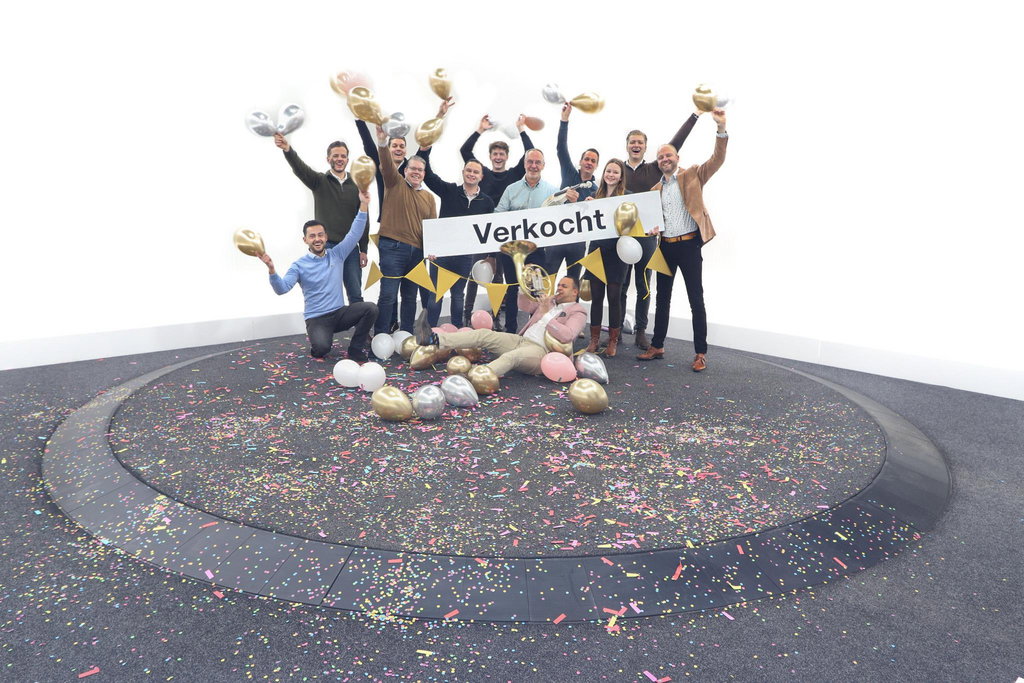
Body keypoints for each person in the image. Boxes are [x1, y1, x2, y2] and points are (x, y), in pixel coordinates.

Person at [637, 108, 729, 372]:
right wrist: (651, 230)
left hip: (689, 245)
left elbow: (717, 159)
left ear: (677, 158)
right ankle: (657, 345)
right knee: (662, 299)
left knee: (695, 299)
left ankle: (700, 353)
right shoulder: (655, 189)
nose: (665, 159)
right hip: (665, 247)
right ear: (657, 163)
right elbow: (651, 221)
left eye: (668, 155)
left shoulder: (693, 174)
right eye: (660, 157)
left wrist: (721, 128)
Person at [259, 190, 378, 361]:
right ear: (305, 240)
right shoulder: (299, 265)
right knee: (322, 349)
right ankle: (319, 341)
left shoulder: (337, 254)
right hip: (317, 318)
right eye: (312, 236)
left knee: (370, 308)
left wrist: (364, 204)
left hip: (339, 313)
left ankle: (355, 348)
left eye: (320, 235)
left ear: (326, 237)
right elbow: (282, 289)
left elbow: (355, 232)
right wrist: (271, 270)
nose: (317, 239)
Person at [621, 111, 703, 349]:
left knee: (644, 286)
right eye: (632, 142)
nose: (636, 145)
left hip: (649, 237)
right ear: (627, 146)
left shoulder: (655, 169)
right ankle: (616, 332)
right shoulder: (617, 169)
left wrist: (695, 116)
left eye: (640, 142)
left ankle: (641, 331)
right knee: (622, 285)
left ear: (645, 147)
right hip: (623, 238)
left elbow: (676, 143)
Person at [415, 276, 587, 378]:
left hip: (542, 352)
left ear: (575, 292)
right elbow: (524, 305)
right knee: (483, 334)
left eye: (564, 286)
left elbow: (567, 335)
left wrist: (546, 315)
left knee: (511, 357)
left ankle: (476, 377)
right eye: (559, 285)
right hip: (521, 340)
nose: (559, 288)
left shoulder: (578, 311)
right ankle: (432, 338)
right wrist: (523, 287)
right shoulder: (550, 301)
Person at [272, 134, 368, 304]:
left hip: (351, 249)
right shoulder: (319, 181)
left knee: (355, 294)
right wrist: (287, 149)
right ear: (328, 159)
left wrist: (364, 249)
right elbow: (300, 168)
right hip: (326, 248)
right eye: (335, 156)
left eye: (343, 156)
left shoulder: (356, 186)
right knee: (327, 294)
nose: (339, 159)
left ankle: (360, 323)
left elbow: (363, 219)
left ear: (347, 159)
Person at [459, 113, 536, 323]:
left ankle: (495, 318)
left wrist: (521, 129)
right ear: (491, 156)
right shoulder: (482, 173)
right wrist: (480, 129)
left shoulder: (514, 175)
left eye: (502, 153)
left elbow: (530, 152)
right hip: (483, 232)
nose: (499, 157)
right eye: (495, 154)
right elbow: (465, 151)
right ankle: (467, 315)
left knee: (499, 276)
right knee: (474, 274)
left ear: (507, 156)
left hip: (505, 234)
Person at [373, 125, 437, 336]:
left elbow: (432, 228)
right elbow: (386, 164)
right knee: (388, 295)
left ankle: (406, 337)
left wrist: (433, 249)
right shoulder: (394, 183)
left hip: (417, 253)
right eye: (413, 169)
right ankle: (381, 336)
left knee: (410, 297)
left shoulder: (429, 198)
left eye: (420, 170)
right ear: (405, 171)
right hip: (393, 248)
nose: (416, 172)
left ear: (424, 174)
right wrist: (382, 142)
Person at [494, 149, 567, 333]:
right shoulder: (511, 189)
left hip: (537, 250)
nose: (533, 166)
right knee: (512, 290)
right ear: (525, 163)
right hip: (512, 249)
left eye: (537, 162)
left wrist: (571, 201)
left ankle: (534, 331)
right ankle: (511, 331)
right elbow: (498, 214)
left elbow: (561, 218)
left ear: (543, 165)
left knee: (538, 291)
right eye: (530, 162)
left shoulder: (552, 191)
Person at [421, 157, 496, 328]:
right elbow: (429, 176)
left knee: (458, 296)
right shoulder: (449, 191)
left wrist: (490, 256)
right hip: (441, 255)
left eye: (476, 172)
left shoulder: (487, 202)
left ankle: (457, 333)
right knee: (435, 295)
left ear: (481, 177)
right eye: (468, 170)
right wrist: (425, 150)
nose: (471, 174)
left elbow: (490, 231)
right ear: (463, 172)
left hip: (465, 257)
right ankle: (430, 332)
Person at [544, 102, 599, 279]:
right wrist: (564, 120)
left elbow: (595, 218)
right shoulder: (569, 172)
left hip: (577, 242)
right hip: (556, 236)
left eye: (593, 161)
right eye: (587, 159)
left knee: (573, 282)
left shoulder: (597, 191)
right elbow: (561, 148)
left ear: (596, 166)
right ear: (580, 162)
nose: (589, 162)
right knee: (548, 279)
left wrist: (584, 205)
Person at [582, 159, 629, 357]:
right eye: (608, 171)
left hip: (618, 253)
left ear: (621, 176)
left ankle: (612, 341)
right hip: (596, 251)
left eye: (615, 172)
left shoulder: (627, 198)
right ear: (604, 174)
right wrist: (586, 207)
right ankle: (593, 340)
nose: (611, 175)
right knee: (597, 298)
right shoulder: (594, 196)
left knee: (614, 297)